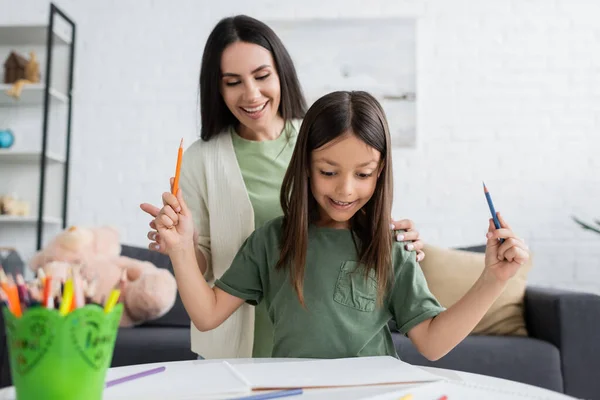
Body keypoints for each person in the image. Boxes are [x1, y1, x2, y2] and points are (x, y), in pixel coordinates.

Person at [153, 91, 530, 360]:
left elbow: (432, 343)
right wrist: (182, 249)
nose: (346, 189)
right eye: (328, 172)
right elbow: (206, 316)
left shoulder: (391, 245)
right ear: (305, 167)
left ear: (380, 173)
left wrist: (492, 280)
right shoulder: (271, 240)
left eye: (363, 174)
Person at [140, 15, 426, 359]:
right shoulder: (203, 159)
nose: (251, 94)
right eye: (233, 82)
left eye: (262, 76)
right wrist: (181, 247)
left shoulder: (319, 140)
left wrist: (402, 240)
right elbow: (203, 260)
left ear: (281, 73)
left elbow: (359, 218)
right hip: (235, 329)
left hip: (319, 337)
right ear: (217, 88)